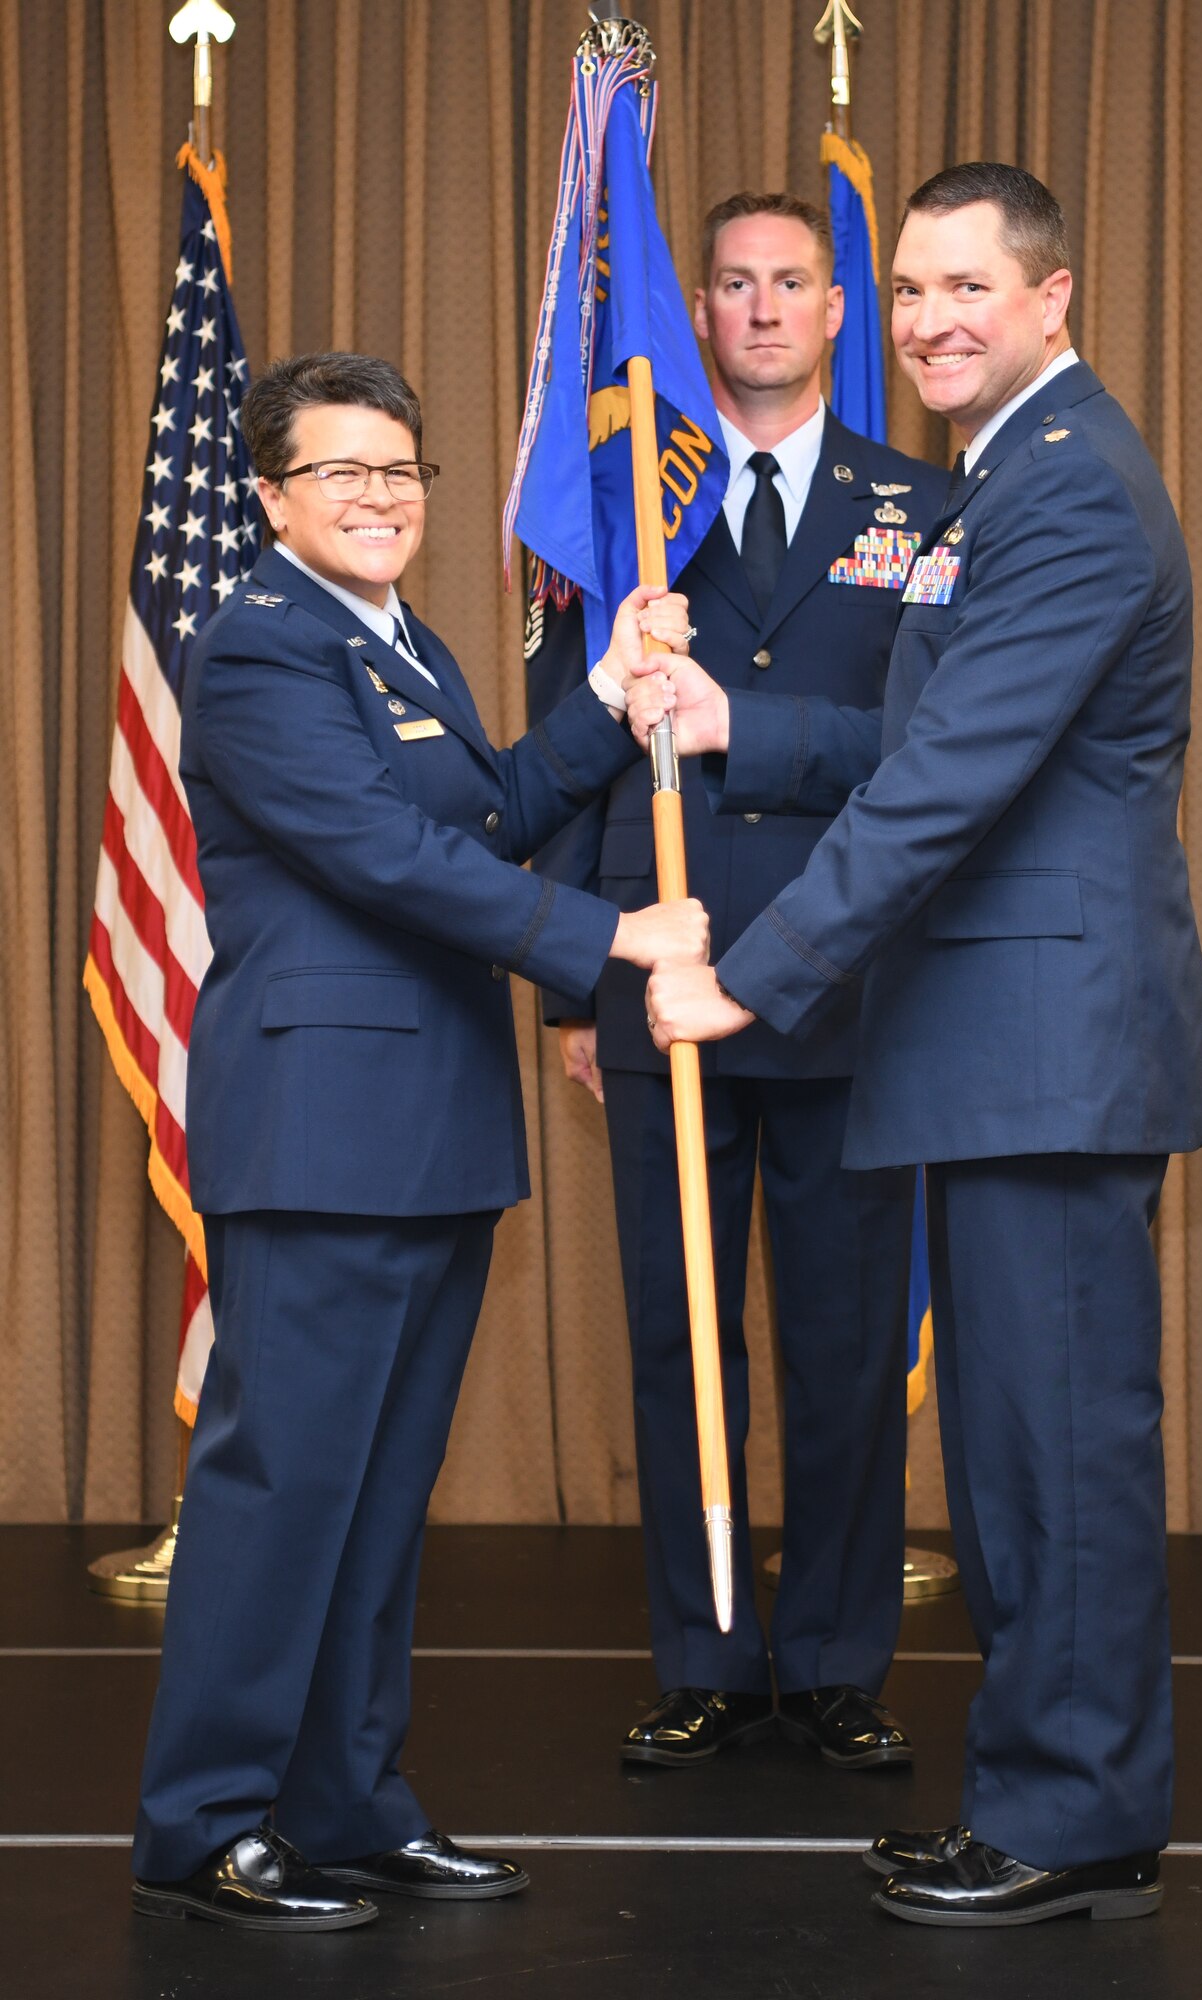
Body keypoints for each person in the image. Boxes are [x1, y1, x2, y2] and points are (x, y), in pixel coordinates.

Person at [638, 163, 1202, 1925]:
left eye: (965, 287)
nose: (926, 320)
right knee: (1013, 1453)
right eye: (905, 292)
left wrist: (756, 971)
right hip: (995, 1043)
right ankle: (1054, 1795)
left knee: (1053, 1450)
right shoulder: (1004, 479)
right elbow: (916, 729)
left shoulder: (1071, 494)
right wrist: (728, 712)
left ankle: (1072, 1816)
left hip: (1042, 1043)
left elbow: (953, 780)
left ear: (1051, 300)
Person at [131, 352, 705, 1933]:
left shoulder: (406, 643)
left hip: (431, 1126)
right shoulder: (257, 648)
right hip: (322, 1129)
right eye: (342, 474)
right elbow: (383, 857)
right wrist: (619, 942)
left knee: (380, 1498)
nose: (380, 499)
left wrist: (601, 704)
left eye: (401, 472)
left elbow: (489, 811)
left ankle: (348, 1805)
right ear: (267, 499)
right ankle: (206, 1822)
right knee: (279, 1488)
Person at [527, 193, 947, 1770]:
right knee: (671, 1335)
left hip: (841, 974)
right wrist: (571, 977)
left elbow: (929, 754)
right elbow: (560, 747)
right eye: (731, 285)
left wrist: (739, 732)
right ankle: (704, 1651)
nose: (761, 310)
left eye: (791, 284)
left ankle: (835, 1660)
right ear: (695, 310)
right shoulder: (629, 504)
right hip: (659, 966)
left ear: (839, 311)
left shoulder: (920, 506)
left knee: (844, 1345)